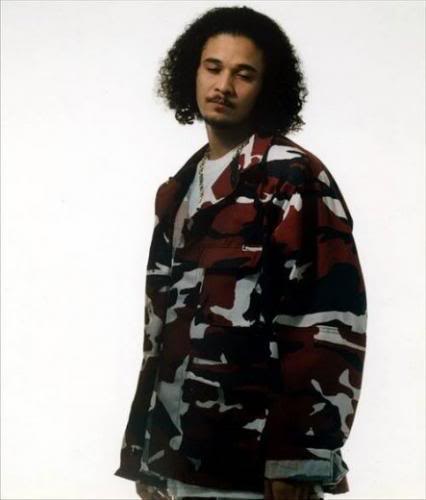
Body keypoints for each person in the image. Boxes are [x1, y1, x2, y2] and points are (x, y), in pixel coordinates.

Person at [114, 6, 367, 500]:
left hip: (258, 468)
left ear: (266, 88)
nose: (223, 85)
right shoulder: (179, 190)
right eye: (213, 67)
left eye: (243, 74)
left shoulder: (293, 177)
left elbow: (327, 320)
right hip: (177, 460)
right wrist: (146, 453)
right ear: (191, 72)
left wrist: (299, 461)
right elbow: (160, 333)